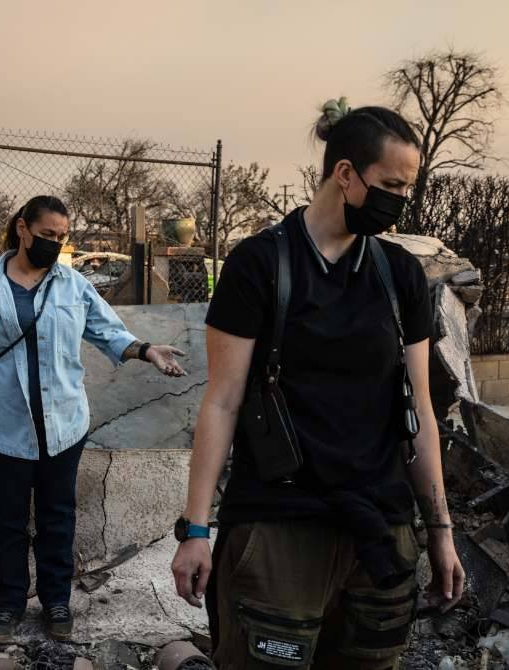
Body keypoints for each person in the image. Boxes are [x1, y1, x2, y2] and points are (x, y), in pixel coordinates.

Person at [170, 100, 465, 669]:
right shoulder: (260, 265)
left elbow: (421, 412)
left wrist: (440, 529)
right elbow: (223, 401)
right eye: (392, 185)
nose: (401, 200)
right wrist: (196, 528)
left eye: (409, 188)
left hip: (379, 529)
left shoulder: (400, 274)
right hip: (281, 527)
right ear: (346, 173)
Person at [0, 195, 187, 644]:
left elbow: (108, 331)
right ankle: (10, 602)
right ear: (22, 228)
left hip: (63, 425)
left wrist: (148, 349)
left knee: (58, 516)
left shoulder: (73, 285)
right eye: (46, 235)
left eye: (60, 237)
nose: (53, 243)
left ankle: (56, 600)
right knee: (9, 518)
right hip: (4, 424)